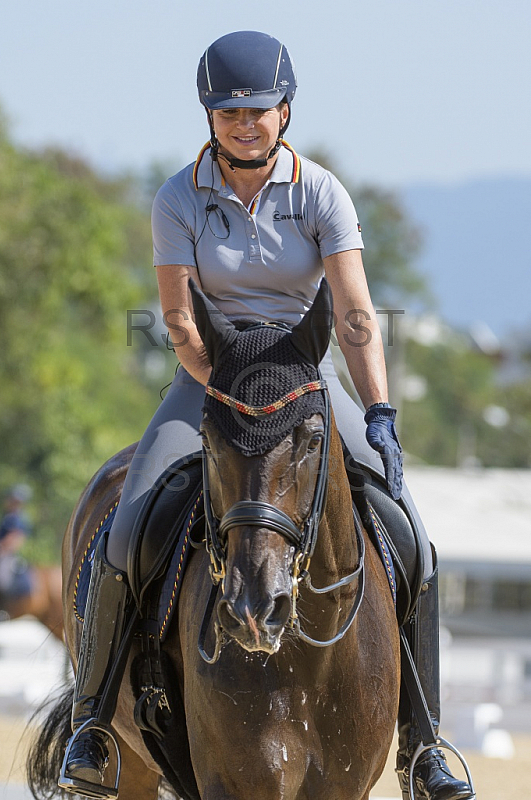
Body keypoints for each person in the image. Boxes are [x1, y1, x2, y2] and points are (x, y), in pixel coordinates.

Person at [59, 31, 474, 800]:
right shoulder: (178, 197)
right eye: (228, 112)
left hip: (305, 380)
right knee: (125, 528)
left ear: (285, 111)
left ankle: (423, 743)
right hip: (210, 378)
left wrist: (378, 411)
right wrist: (230, 385)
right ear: (208, 116)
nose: (243, 124)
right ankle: (91, 722)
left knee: (410, 534)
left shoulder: (321, 193)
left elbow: (353, 315)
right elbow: (179, 321)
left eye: (257, 110)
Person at [0, 484, 33, 601]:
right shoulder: (8, 516)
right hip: (3, 551)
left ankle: (3, 607)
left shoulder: (16, 518)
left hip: (6, 553)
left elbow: (16, 537)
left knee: (2, 578)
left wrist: (1, 546)